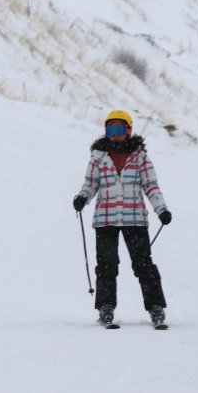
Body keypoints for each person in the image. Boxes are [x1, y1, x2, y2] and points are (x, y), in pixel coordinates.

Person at [73, 110, 172, 328]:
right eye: (110, 129)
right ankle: (105, 307)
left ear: (128, 130)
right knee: (107, 265)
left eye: (118, 129)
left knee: (143, 264)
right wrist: (82, 197)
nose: (114, 134)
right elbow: (91, 184)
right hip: (105, 219)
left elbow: (151, 186)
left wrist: (161, 209)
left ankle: (156, 307)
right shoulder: (98, 156)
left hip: (135, 219)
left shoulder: (140, 157)